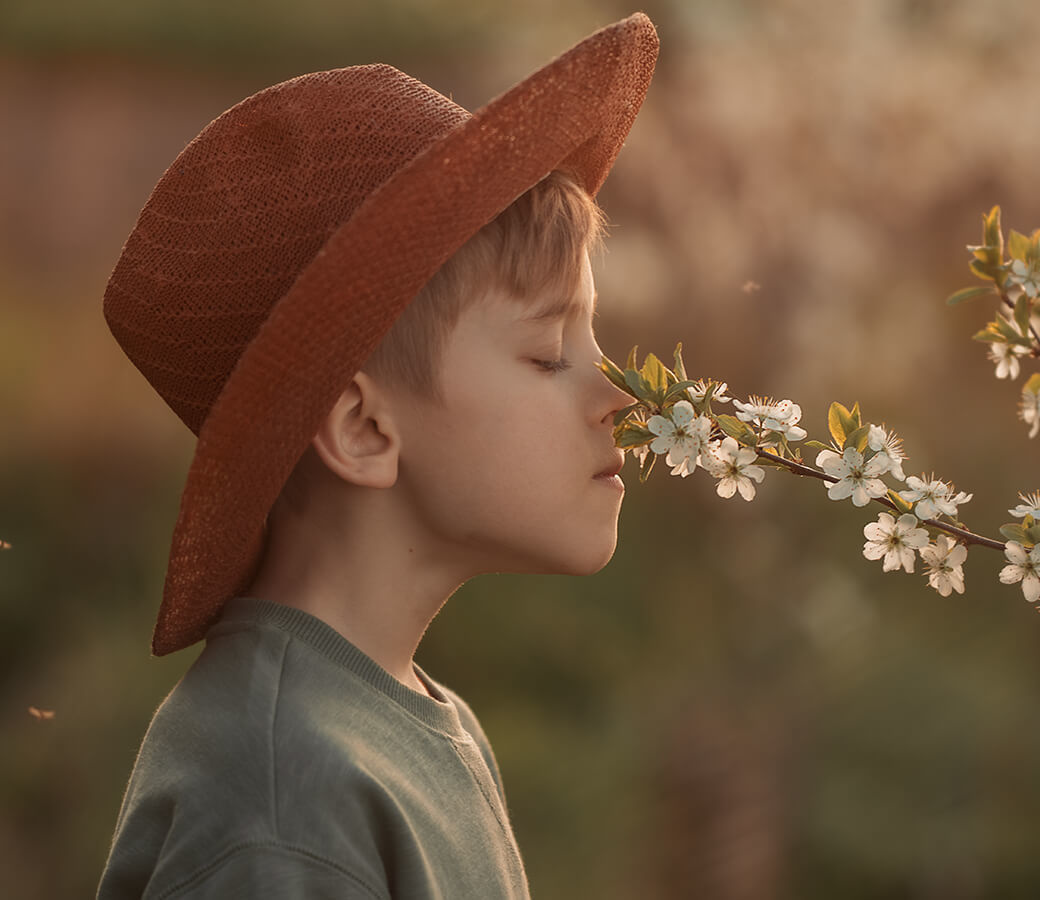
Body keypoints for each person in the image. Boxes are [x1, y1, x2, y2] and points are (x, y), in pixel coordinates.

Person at [96, 13, 658, 898]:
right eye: (550, 355)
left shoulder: (416, 727)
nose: (623, 397)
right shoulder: (281, 800)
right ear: (361, 429)